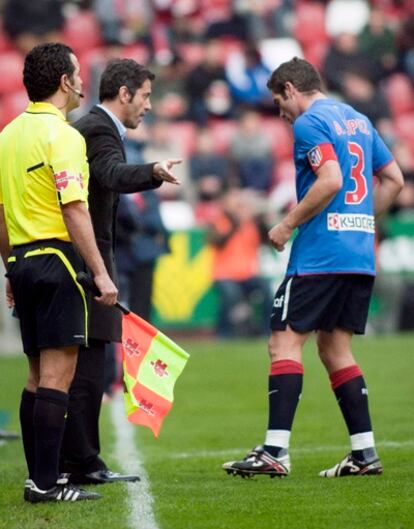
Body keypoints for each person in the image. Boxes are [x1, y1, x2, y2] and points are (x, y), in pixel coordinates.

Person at [223, 57, 404, 479]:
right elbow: (393, 178)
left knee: (283, 343)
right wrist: (363, 223)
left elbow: (330, 179)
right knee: (335, 349)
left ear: (290, 88)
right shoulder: (357, 119)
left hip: (321, 255)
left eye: (277, 102)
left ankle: (274, 451)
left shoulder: (309, 123)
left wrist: (286, 224)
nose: (280, 114)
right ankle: (364, 454)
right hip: (358, 254)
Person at [0, 42, 117, 503]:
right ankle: (46, 485)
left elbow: (2, 213)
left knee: (35, 376)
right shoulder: (65, 136)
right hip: (58, 262)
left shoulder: (7, 135)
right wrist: (101, 273)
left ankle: (40, 477)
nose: (84, 80)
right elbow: (74, 209)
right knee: (57, 376)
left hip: (23, 263)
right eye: (79, 72)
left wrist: (10, 269)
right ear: (66, 82)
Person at [59, 58, 181, 484]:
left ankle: (68, 461)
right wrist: (152, 172)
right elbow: (109, 174)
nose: (148, 105)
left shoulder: (90, 124)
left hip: (75, 259)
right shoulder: (98, 128)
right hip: (86, 264)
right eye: (145, 95)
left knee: (69, 368)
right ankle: (83, 463)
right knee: (89, 368)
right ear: (123, 93)